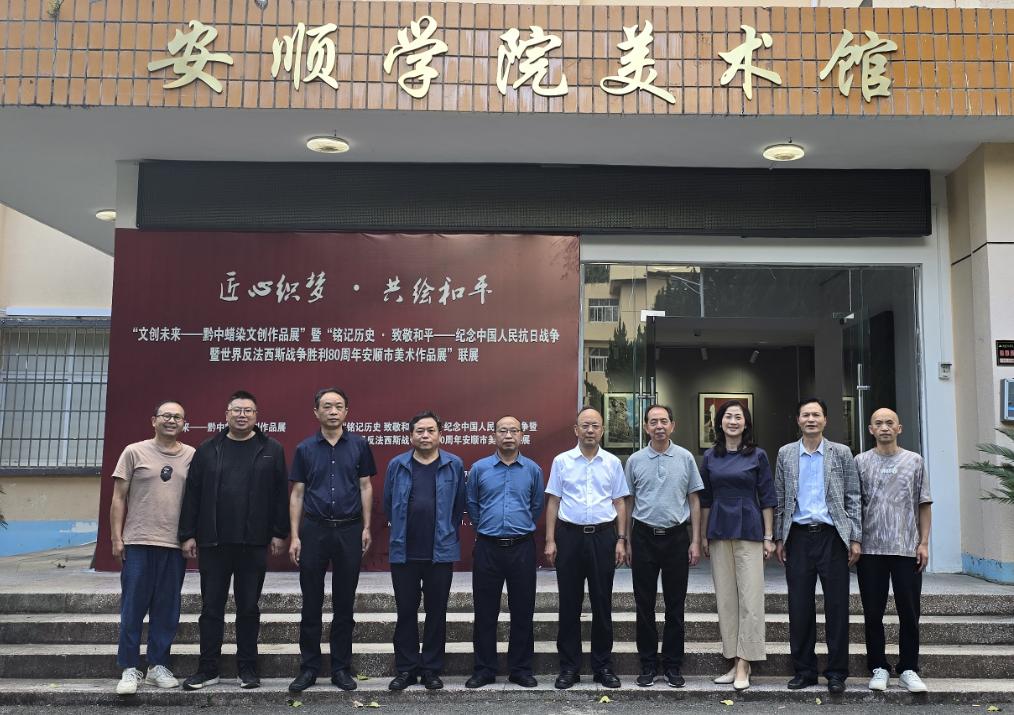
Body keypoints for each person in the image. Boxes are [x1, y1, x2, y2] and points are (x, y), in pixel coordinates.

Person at [178, 390, 289, 690]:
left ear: (256, 416)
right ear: (226, 414)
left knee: (249, 608)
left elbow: (280, 494)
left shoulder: (272, 449)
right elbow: (193, 494)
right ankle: (208, 668)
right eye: (236, 410)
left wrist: (279, 532)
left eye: (248, 410)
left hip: (253, 543)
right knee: (211, 608)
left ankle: (247, 669)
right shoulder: (208, 449)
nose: (242, 415)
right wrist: (187, 534)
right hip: (214, 543)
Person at [287, 388, 377, 694]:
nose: (333, 411)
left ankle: (341, 667)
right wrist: (295, 535)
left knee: (344, 602)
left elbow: (365, 486)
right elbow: (297, 494)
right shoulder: (305, 448)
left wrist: (366, 527)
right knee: (311, 601)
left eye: (339, 406)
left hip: (349, 530)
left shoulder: (360, 445)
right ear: (316, 412)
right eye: (327, 406)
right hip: (314, 529)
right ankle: (309, 667)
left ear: (346, 412)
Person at [774, 398, 862, 694]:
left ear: (825, 420)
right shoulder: (786, 453)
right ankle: (804, 671)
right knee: (799, 606)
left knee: (837, 606)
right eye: (805, 415)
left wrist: (855, 537)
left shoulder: (842, 453)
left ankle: (837, 672)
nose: (811, 419)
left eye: (816, 415)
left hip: (832, 536)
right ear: (798, 420)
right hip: (798, 536)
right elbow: (780, 497)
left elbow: (853, 496)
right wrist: (779, 538)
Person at [110, 401, 195, 695]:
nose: (171, 420)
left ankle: (157, 665)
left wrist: (191, 536)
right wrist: (116, 538)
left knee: (167, 610)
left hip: (173, 544)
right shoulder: (134, 452)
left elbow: (196, 500)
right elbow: (118, 497)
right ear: (153, 420)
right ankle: (129, 668)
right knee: (133, 608)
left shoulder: (191, 455)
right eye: (166, 415)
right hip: (138, 541)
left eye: (177, 417)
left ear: (184, 423)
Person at [545, 407, 629, 690]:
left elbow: (619, 502)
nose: (590, 430)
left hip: (603, 537)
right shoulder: (562, 461)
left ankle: (603, 666)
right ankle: (569, 667)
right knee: (569, 604)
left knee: (602, 603)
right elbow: (554, 501)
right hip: (569, 537)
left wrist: (621, 539)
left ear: (602, 430)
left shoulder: (612, 463)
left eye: (595, 425)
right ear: (576, 430)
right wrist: (550, 539)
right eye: (585, 425)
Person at [383, 411, 466, 691]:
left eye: (431, 430)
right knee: (405, 611)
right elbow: (388, 504)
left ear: (440, 434)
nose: (425, 435)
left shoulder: (453, 465)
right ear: (411, 435)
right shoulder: (397, 465)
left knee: (436, 612)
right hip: (404, 552)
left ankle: (431, 668)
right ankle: (406, 669)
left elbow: (459, 506)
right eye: (420, 431)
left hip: (440, 552)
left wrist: (445, 531)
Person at [624, 404, 703, 689]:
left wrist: (695, 540)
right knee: (643, 603)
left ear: (673, 425)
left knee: (675, 604)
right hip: (643, 536)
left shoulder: (685, 458)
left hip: (676, 537)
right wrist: (625, 539)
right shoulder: (635, 460)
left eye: (664, 421)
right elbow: (628, 501)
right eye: (653, 422)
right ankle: (647, 663)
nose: (659, 426)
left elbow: (694, 500)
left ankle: (672, 665)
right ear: (646, 427)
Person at [699, 399, 776, 691]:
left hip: (750, 528)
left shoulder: (758, 455)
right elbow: (705, 499)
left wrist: (769, 536)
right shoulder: (710, 456)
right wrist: (703, 535)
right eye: (728, 416)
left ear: (746, 424)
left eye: (738, 417)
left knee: (750, 598)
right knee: (726, 599)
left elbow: (767, 497)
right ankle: (733, 659)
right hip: (719, 528)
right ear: (720, 422)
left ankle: (745, 662)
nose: (733, 421)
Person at [855, 408, 932, 693]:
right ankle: (878, 667)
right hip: (870, 550)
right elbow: (854, 504)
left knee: (909, 612)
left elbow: (924, 503)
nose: (884, 427)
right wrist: (855, 541)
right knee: (872, 612)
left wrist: (923, 543)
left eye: (890, 423)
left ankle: (908, 668)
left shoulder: (914, 461)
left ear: (899, 428)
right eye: (879, 423)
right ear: (871, 429)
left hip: (906, 548)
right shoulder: (860, 462)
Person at [465, 416, 545, 689]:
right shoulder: (479, 469)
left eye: (513, 430)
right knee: (485, 612)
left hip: (522, 547)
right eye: (503, 430)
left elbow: (536, 505)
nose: (508, 435)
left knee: (523, 610)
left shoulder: (532, 470)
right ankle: (484, 669)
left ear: (522, 435)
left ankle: (520, 669)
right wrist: (487, 528)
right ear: (494, 435)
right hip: (488, 547)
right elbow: (472, 505)